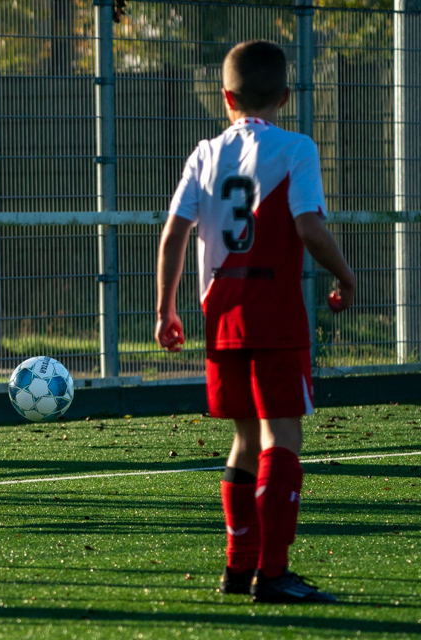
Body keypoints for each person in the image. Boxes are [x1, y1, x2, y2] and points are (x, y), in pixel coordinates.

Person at [155, 40, 356, 603]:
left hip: (221, 315)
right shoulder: (295, 148)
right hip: (276, 314)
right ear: (285, 97)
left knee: (245, 437)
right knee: (282, 435)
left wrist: (166, 308)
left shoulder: (204, 153)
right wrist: (346, 276)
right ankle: (273, 573)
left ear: (226, 98)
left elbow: (173, 234)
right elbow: (309, 226)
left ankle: (237, 567)